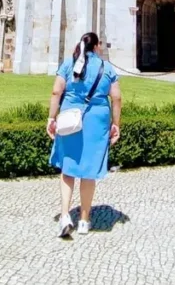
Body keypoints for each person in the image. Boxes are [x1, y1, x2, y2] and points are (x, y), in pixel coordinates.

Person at [47, 31, 122, 238]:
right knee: (88, 172)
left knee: (68, 168)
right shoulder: (106, 67)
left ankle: (64, 216)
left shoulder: (69, 64)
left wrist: (51, 118)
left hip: (70, 119)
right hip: (96, 122)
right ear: (96, 46)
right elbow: (116, 98)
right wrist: (116, 124)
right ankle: (84, 220)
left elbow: (56, 92)